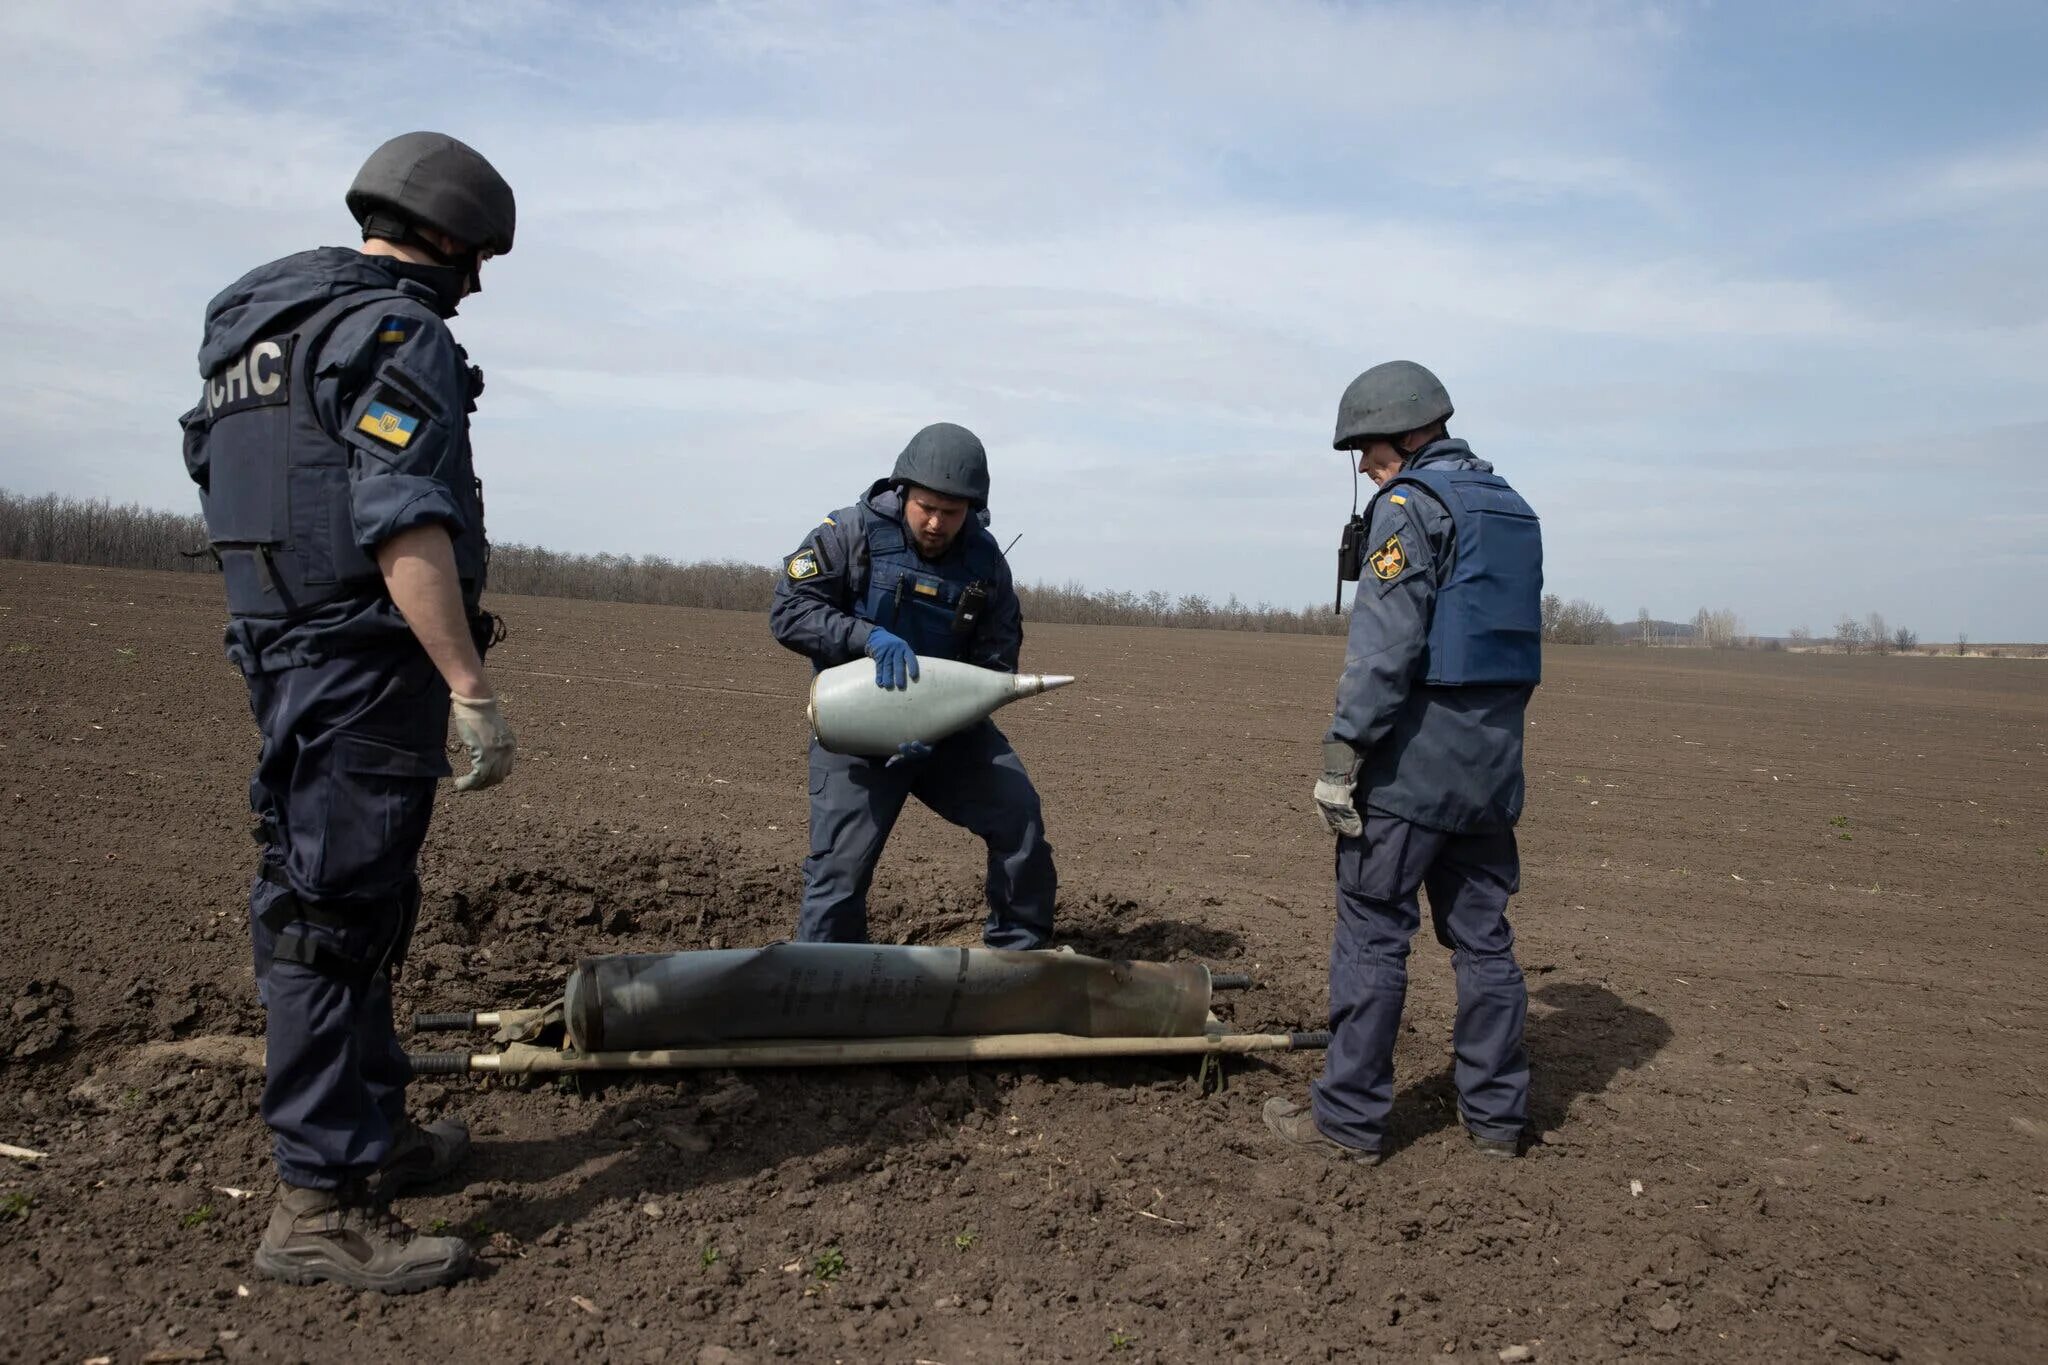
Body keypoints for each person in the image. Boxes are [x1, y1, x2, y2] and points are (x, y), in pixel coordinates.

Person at [178, 132, 519, 1292]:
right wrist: (469, 687)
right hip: (359, 666)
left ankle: (378, 1137)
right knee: (330, 917)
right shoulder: (393, 332)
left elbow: (225, 483)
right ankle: (319, 1204)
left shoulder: (257, 331)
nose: (475, 280)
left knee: (354, 901)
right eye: (478, 255)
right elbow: (404, 523)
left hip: (279, 650)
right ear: (453, 236)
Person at [1264, 361, 1543, 1163]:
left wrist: (1343, 750)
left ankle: (1346, 1122)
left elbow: (1385, 650)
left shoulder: (1408, 509)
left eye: (1368, 447)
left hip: (1410, 771)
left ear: (1407, 433)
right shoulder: (1513, 510)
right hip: (1491, 772)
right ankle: (1496, 1119)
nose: (1362, 464)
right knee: (1484, 941)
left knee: (1373, 932)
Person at [769, 422, 1057, 950]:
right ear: (903, 491)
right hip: (857, 734)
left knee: (1020, 821)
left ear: (973, 509)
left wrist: (943, 717)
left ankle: (1020, 963)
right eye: (927, 506)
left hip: (946, 735)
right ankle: (826, 983)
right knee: (839, 875)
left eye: (951, 513)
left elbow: (996, 663)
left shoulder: (987, 565)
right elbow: (789, 612)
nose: (935, 521)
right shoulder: (848, 534)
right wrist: (866, 636)